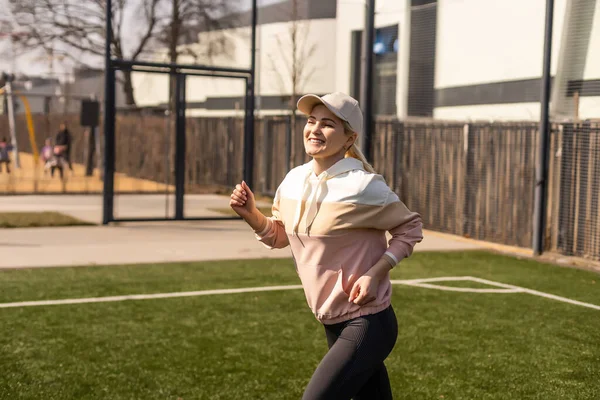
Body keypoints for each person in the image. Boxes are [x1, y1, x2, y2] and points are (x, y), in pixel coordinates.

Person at [230, 92, 423, 399]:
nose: (315, 129)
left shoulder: (364, 186)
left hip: (367, 322)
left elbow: (410, 228)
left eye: (328, 124)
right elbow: (280, 236)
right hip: (331, 321)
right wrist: (251, 214)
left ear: (349, 138)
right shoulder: (293, 180)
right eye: (311, 120)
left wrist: (376, 272)